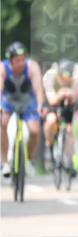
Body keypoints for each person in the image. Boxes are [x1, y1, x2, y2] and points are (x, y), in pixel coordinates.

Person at [1, 42, 45, 178]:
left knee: (35, 131)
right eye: (17, 60)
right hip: (9, 100)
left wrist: (40, 105)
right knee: (2, 123)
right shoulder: (3, 68)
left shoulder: (32, 67)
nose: (21, 63)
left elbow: (38, 88)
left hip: (28, 101)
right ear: (10, 61)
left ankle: (29, 160)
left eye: (22, 59)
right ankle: (5, 163)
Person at [42, 59, 78, 177]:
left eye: (68, 78)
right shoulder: (49, 77)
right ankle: (49, 145)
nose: (65, 80)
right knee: (51, 120)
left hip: (67, 103)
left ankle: (70, 161)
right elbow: (52, 100)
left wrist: (69, 95)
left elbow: (74, 98)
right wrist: (61, 93)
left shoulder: (75, 78)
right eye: (63, 77)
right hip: (51, 100)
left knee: (69, 130)